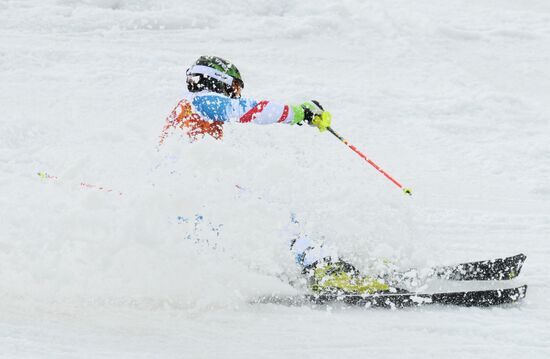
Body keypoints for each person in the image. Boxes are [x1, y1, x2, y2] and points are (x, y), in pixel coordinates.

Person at [165, 55, 392, 296]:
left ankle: (260, 272)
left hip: (180, 193)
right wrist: (298, 113)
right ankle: (324, 270)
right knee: (273, 217)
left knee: (244, 219)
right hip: (192, 188)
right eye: (233, 87)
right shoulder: (202, 101)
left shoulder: (186, 108)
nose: (235, 93)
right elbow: (248, 110)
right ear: (216, 81)